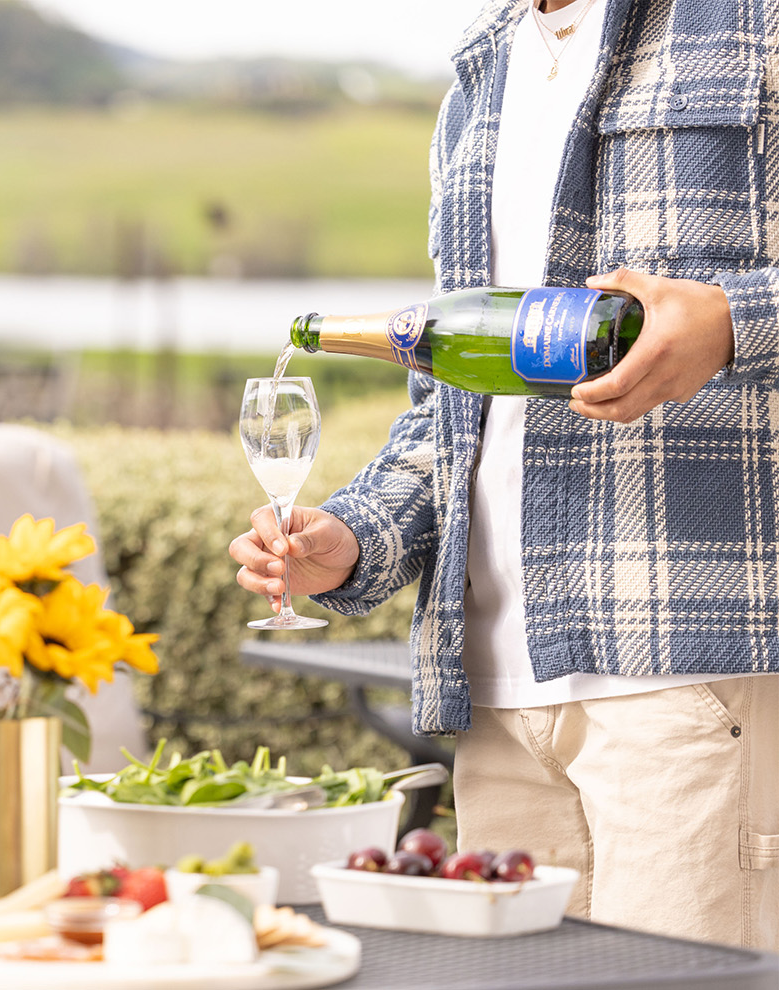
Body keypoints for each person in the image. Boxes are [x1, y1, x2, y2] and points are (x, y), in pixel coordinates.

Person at [231, 0, 779, 949]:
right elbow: (457, 404)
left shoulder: (746, 21)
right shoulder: (479, 77)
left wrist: (739, 320)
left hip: (690, 680)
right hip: (495, 695)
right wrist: (357, 537)